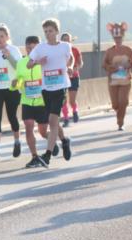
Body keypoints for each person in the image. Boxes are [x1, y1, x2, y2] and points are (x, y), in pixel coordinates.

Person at [25, 18, 74, 165]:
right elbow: (28, 64)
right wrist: (38, 62)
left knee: (52, 121)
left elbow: (70, 58)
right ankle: (64, 141)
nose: (48, 34)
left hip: (60, 87)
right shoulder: (40, 48)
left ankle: (47, 155)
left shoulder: (65, 46)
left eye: (50, 31)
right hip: (46, 89)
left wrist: (70, 67)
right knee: (53, 121)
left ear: (57, 31)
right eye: (45, 31)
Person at [0, 24, 23, 160]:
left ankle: (17, 142)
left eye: (1, 36)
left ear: (7, 37)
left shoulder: (13, 50)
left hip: (12, 87)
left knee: (12, 116)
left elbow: (19, 68)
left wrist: (9, 56)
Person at [14, 35, 50, 168]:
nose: (30, 50)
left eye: (33, 48)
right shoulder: (21, 63)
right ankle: (34, 156)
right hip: (27, 101)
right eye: (28, 48)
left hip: (42, 102)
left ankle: (52, 143)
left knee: (42, 132)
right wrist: (16, 83)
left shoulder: (45, 61)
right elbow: (19, 83)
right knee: (29, 128)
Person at [102, 22, 132, 131]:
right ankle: (119, 114)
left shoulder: (128, 49)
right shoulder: (109, 51)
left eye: (119, 37)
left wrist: (128, 64)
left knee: (123, 101)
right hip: (113, 81)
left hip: (125, 80)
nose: (118, 39)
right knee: (115, 104)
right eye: (116, 38)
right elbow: (104, 65)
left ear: (123, 37)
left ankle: (120, 123)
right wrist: (112, 67)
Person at [61, 32, 83, 125]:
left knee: (72, 100)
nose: (66, 41)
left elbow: (80, 63)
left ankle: (75, 111)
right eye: (64, 39)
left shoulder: (75, 50)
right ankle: (66, 118)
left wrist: (75, 68)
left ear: (71, 41)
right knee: (63, 100)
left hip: (73, 77)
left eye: (68, 39)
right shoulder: (59, 50)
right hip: (62, 77)